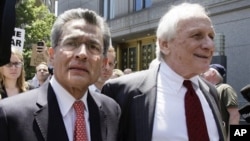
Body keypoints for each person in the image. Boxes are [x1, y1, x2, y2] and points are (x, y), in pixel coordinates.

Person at [102, 2, 226, 141]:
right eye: (197, 35)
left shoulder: (211, 92)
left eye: (211, 36)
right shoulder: (122, 92)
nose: (209, 45)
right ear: (165, 45)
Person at [0, 8, 121, 141]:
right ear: (52, 55)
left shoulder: (112, 111)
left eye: (93, 47)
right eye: (71, 43)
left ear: (103, 62)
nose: (82, 54)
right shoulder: (10, 114)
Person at [202, 64, 240, 137]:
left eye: (205, 71)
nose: (201, 74)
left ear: (213, 73)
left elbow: (234, 114)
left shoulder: (225, 88)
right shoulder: (206, 90)